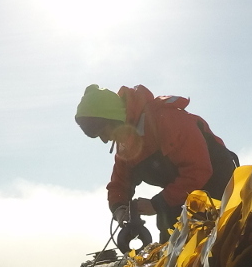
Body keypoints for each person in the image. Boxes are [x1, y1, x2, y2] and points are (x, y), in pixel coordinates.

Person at [74, 84, 238, 240]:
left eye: (103, 132)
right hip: (180, 194)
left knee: (218, 243)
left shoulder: (165, 119)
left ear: (113, 119)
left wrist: (157, 204)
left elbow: (198, 170)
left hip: (219, 188)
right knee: (168, 231)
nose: (104, 140)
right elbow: (119, 184)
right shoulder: (126, 144)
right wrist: (119, 209)